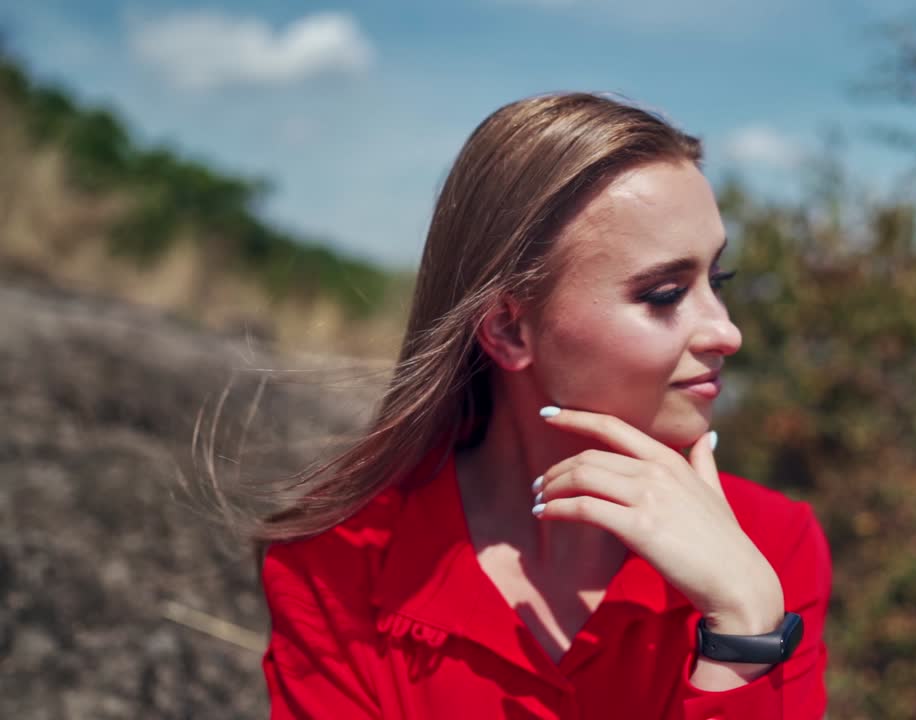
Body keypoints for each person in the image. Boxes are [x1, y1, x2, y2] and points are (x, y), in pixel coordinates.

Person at [259, 92, 832, 719]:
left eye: (715, 283)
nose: (726, 332)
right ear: (508, 330)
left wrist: (743, 638)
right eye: (665, 294)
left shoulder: (771, 549)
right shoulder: (341, 562)